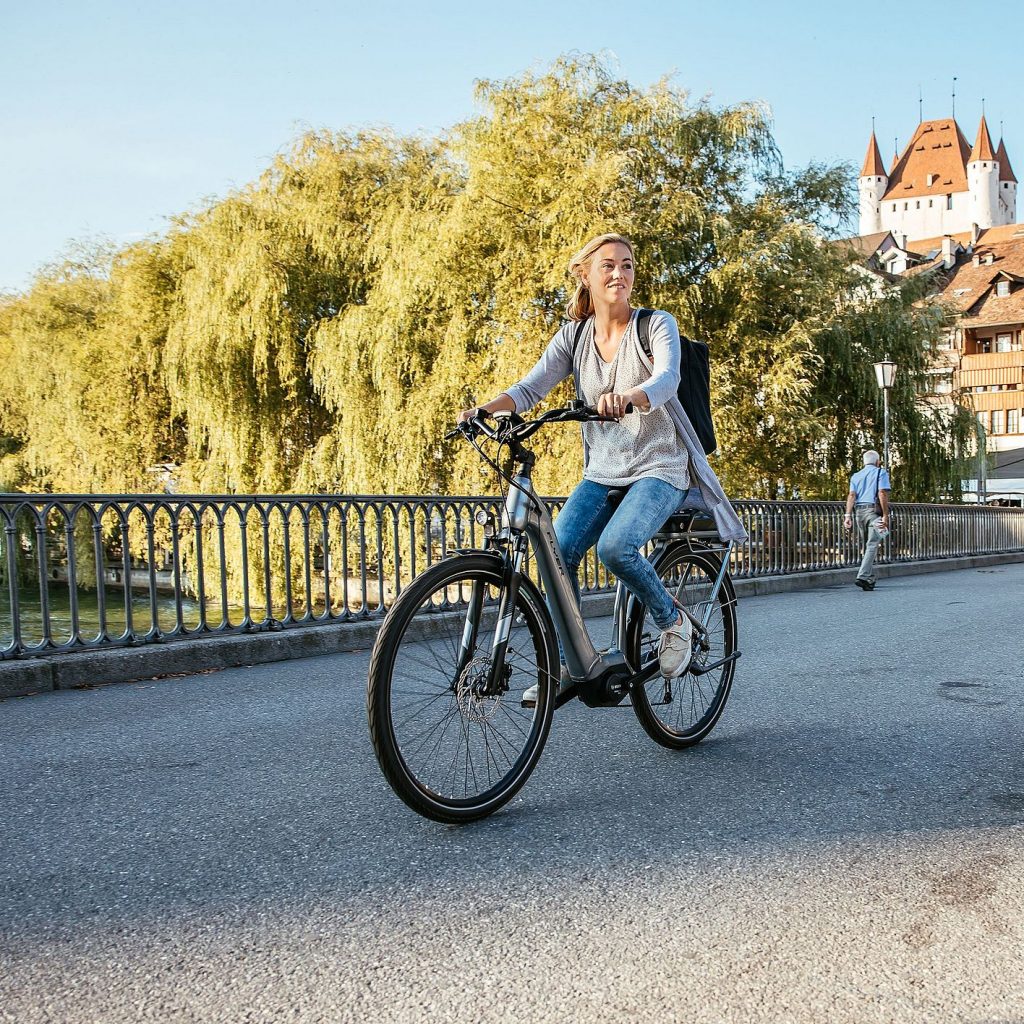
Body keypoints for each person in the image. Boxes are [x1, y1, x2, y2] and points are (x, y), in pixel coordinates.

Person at [457, 232, 747, 698]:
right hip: (602, 473)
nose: (619, 274)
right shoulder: (573, 337)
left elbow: (667, 377)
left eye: (627, 265)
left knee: (616, 548)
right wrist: (484, 412)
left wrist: (631, 397)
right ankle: (573, 664)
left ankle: (673, 622)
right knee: (557, 554)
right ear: (585, 276)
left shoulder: (655, 325)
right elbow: (530, 389)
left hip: (658, 467)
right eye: (608, 265)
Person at [844, 450, 891, 591]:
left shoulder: (856, 476)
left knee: (866, 545)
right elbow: (882, 493)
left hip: (859, 512)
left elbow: (851, 495)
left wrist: (847, 516)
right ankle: (863, 576)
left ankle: (869, 579)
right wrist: (885, 515)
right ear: (877, 462)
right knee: (872, 544)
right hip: (873, 512)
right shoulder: (880, 472)